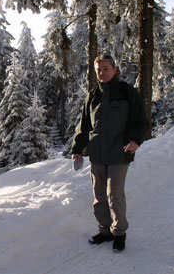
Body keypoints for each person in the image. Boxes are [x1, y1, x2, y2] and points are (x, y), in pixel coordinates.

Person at [71, 53, 149, 252]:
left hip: (119, 152)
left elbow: (141, 120)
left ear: (115, 70)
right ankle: (104, 230)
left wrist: (135, 141)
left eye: (106, 68)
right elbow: (84, 126)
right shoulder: (93, 95)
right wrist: (77, 150)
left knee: (114, 194)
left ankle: (119, 232)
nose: (102, 73)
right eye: (98, 69)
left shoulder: (126, 92)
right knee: (99, 196)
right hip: (97, 153)